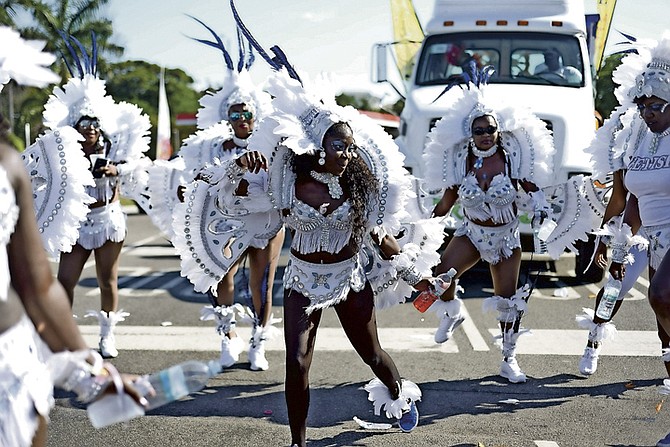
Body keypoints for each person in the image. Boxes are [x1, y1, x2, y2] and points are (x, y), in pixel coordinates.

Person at [0, 26, 143, 447]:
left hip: (7, 372)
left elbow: (36, 285)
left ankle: (106, 334)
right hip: (80, 228)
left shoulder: (6, 164)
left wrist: (90, 374)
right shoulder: (50, 156)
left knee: (105, 281)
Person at [422, 63, 556, 383]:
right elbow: (446, 201)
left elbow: (535, 193)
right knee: (441, 275)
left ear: (499, 130)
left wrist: (540, 211)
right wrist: (424, 227)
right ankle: (452, 313)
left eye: (490, 129)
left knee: (507, 301)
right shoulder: (461, 161)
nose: (485, 136)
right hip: (470, 233)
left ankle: (509, 359)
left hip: (505, 238)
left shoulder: (512, 158)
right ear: (470, 133)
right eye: (479, 130)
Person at [170, 21, 285, 371]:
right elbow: (194, 180)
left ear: (256, 114)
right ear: (226, 114)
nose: (240, 118)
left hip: (265, 223)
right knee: (222, 276)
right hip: (227, 223)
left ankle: (257, 344)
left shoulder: (274, 142)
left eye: (245, 112)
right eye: (234, 112)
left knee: (261, 284)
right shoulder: (210, 146)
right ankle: (227, 337)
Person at [42, 34, 152, 359]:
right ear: (75, 125)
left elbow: (139, 167)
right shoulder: (63, 152)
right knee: (64, 282)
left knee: (108, 281)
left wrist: (117, 171)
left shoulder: (115, 149)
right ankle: (64, 337)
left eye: (94, 122)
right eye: (84, 122)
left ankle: (107, 335)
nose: (90, 127)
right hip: (75, 222)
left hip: (108, 219)